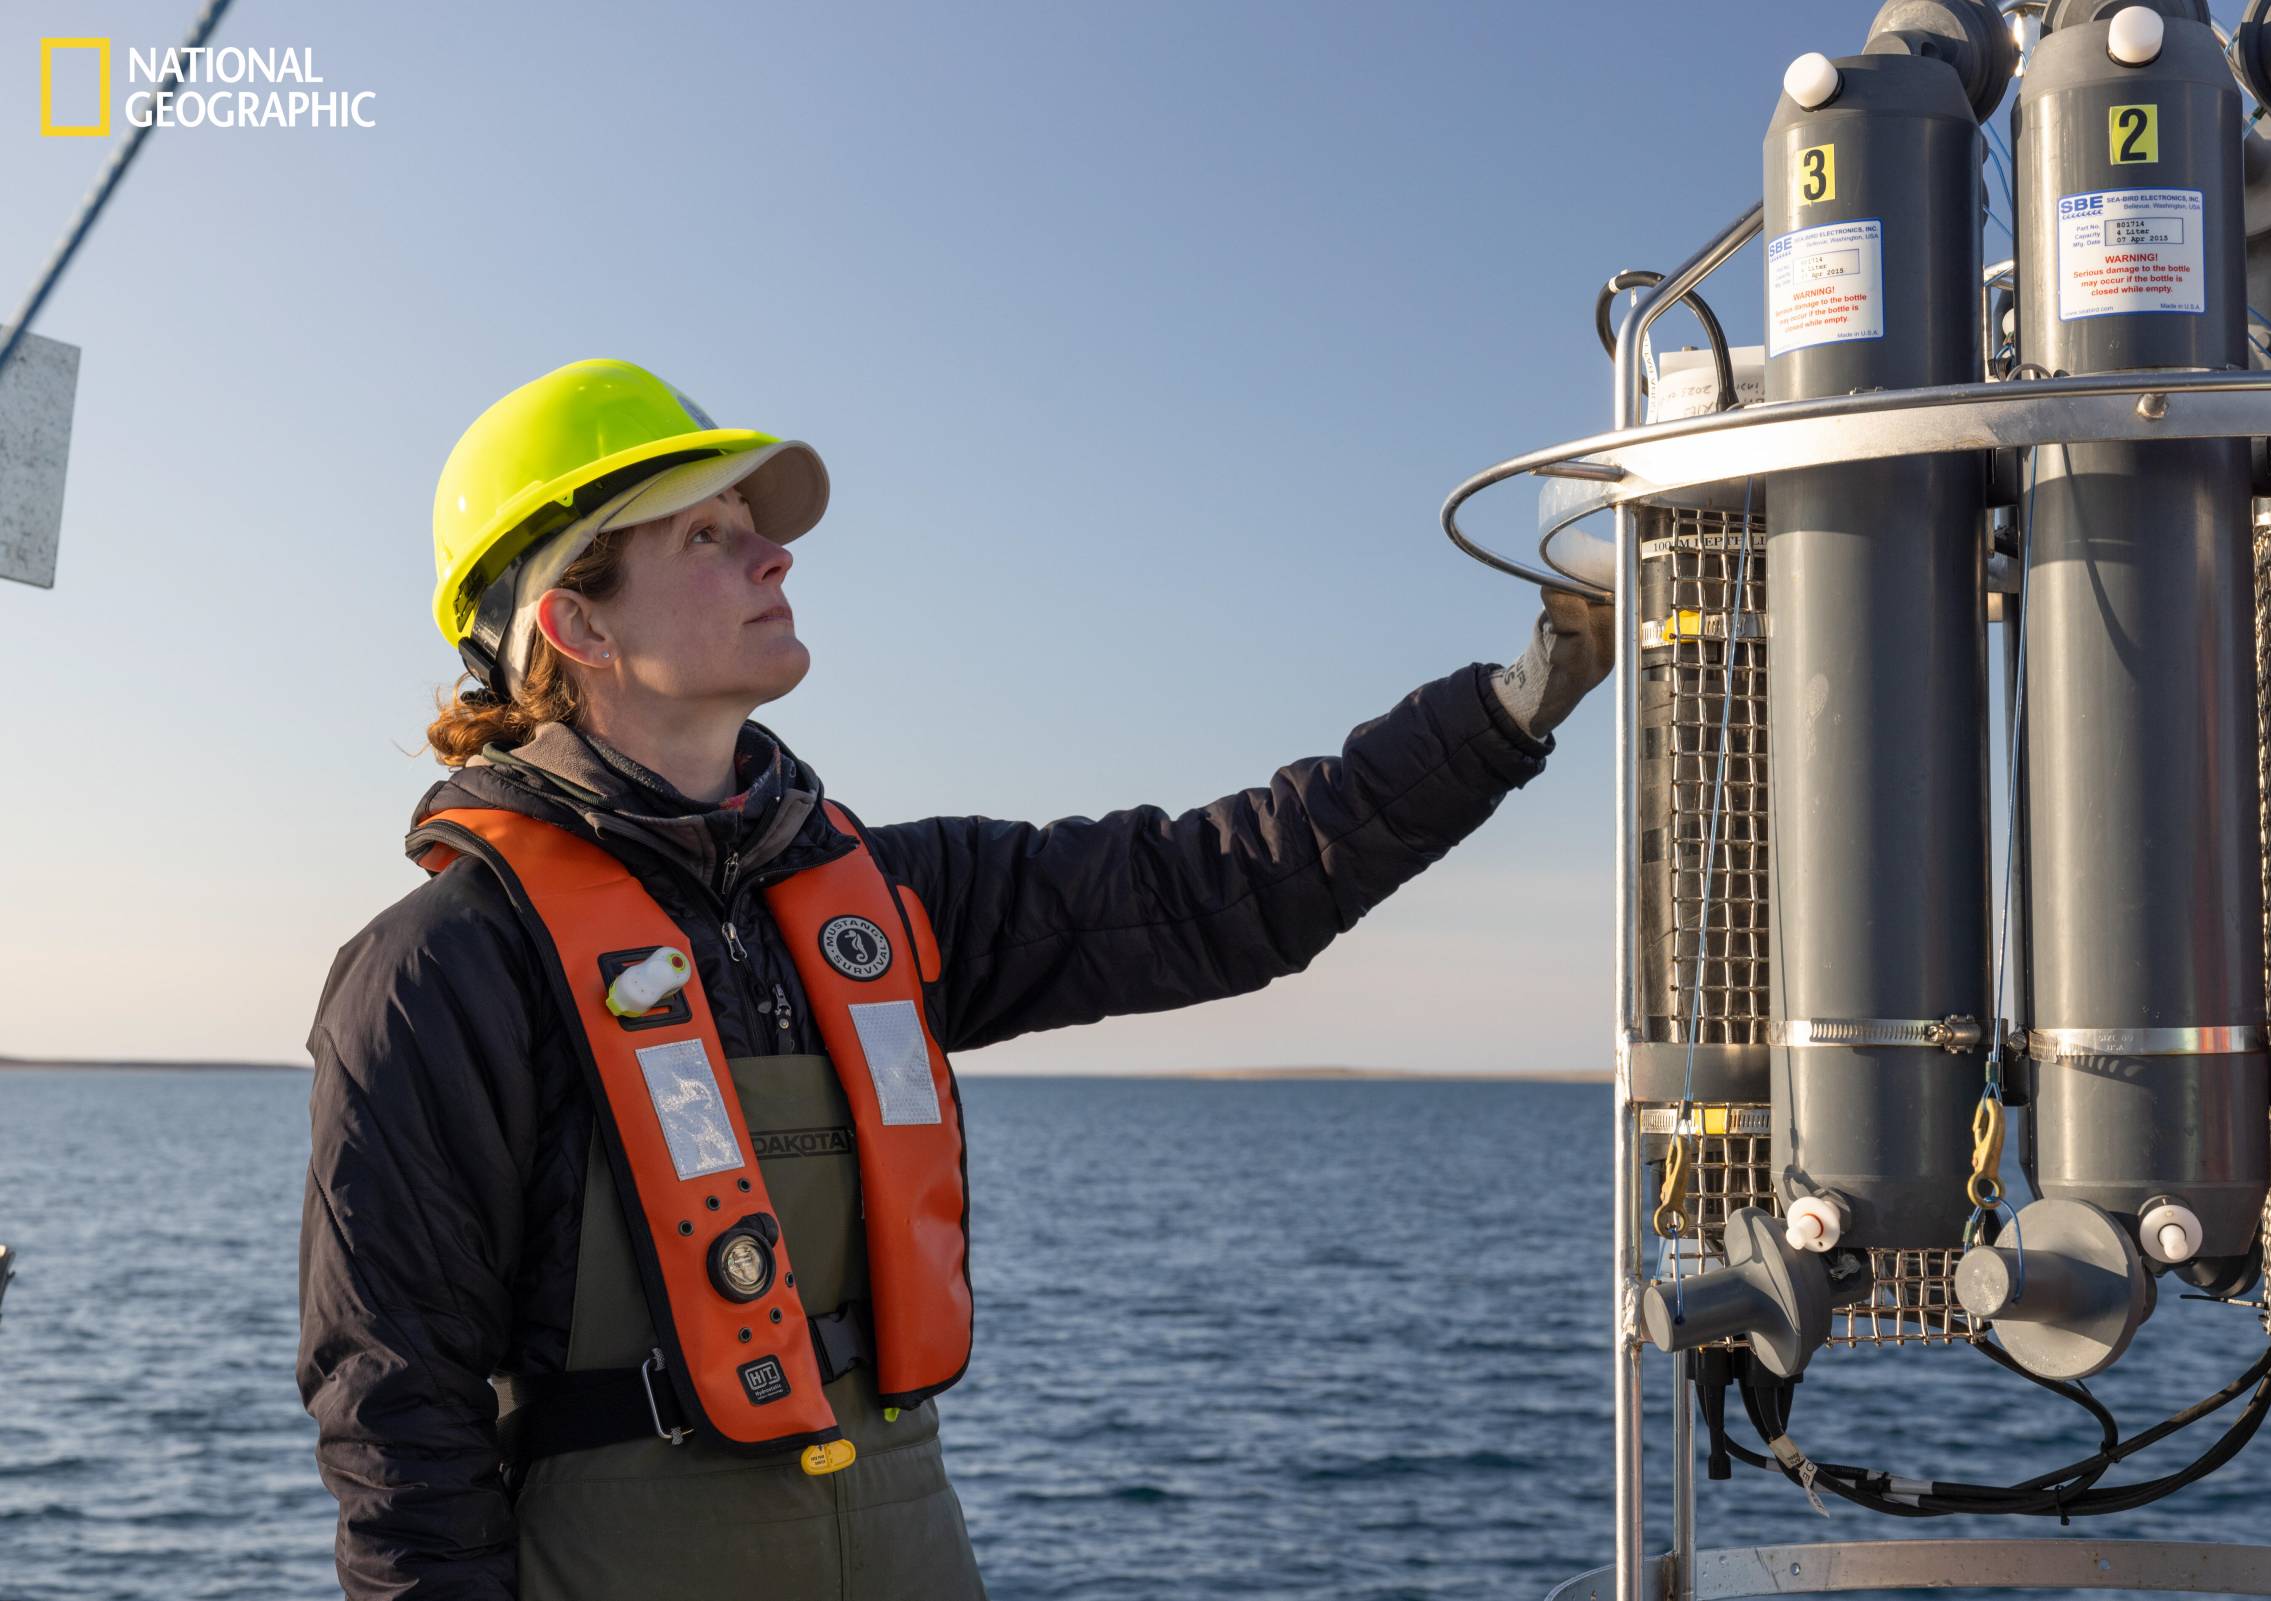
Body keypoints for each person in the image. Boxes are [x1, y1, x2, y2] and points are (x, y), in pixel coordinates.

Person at [295, 357, 1614, 1601]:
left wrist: (1520, 698)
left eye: (751, 521)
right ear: (574, 618)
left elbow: (1228, 889)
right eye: (704, 533)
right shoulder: (442, 971)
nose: (774, 550)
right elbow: (395, 1407)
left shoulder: (894, 901)